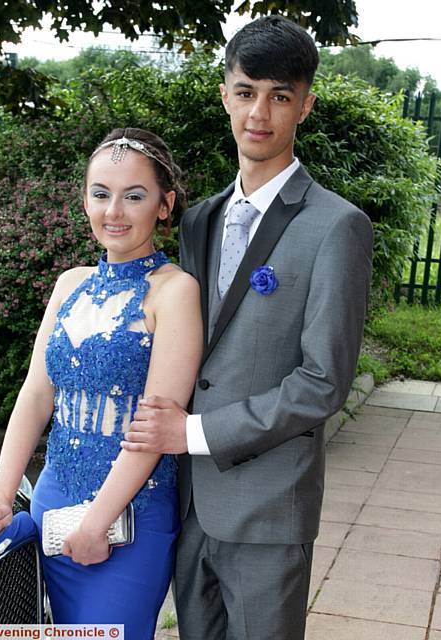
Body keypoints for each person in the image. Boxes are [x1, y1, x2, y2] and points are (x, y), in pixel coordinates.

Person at [121, 16, 374, 640]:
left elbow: (322, 384)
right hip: (185, 504)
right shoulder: (200, 221)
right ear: (225, 94)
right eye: (245, 91)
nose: (258, 113)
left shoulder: (336, 227)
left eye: (280, 96)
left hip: (267, 510)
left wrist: (196, 432)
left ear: (305, 104)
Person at [0, 127, 203, 637]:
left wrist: (98, 520)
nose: (114, 211)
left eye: (134, 196)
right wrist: (3, 495)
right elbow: (36, 393)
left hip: (126, 521)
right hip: (51, 507)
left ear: (165, 204)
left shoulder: (175, 291)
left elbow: (155, 422)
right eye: (101, 194)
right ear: (85, 201)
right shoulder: (70, 283)